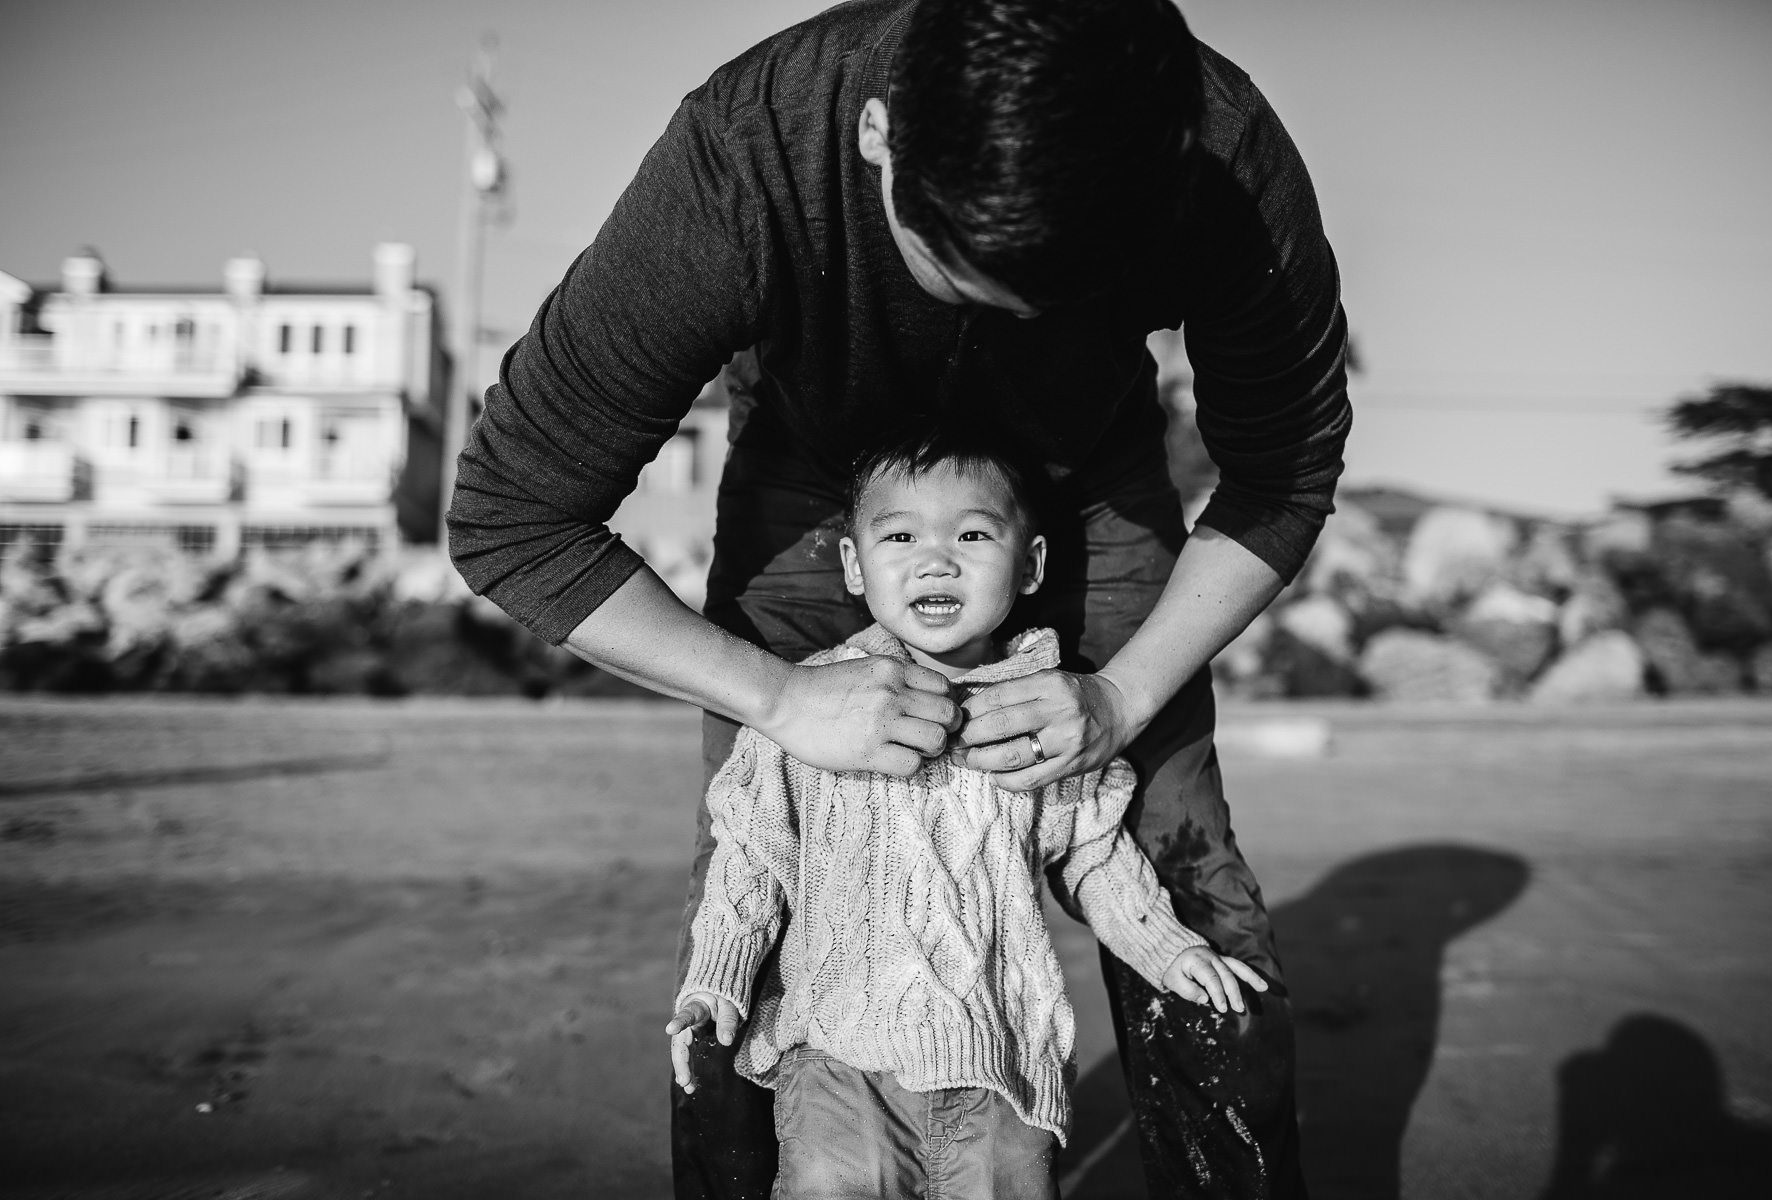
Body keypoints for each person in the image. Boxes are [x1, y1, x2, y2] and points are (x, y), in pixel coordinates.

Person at [448, 1, 1351, 1194]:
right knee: (766, 864)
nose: (988, 329)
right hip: (817, 473)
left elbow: (1284, 470)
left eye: (1045, 301)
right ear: (878, 134)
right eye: (957, 275)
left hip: (1086, 482)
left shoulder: (1220, 153)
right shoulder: (747, 155)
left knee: (1180, 876)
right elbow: (511, 509)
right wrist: (779, 697)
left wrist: (1123, 700)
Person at [665, 426, 1268, 1200]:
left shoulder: (1045, 713)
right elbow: (751, 856)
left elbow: (1095, 855)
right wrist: (717, 979)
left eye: (974, 533)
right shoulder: (810, 705)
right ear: (853, 565)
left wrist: (1166, 947)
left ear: (1031, 566)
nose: (935, 558)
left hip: (1002, 1066)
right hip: (840, 1056)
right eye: (901, 535)